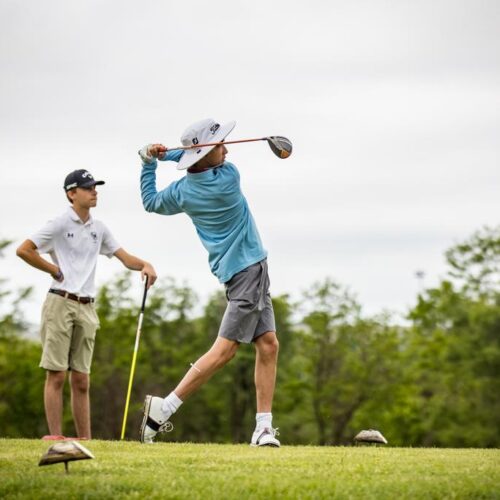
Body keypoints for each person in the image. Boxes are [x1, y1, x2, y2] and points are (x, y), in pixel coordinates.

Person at [138, 118, 280, 447]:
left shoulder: (182, 192)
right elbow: (195, 160)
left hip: (239, 273)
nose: (226, 149)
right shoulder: (229, 178)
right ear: (203, 154)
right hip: (249, 271)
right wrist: (167, 156)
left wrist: (150, 161)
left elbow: (150, 201)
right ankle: (164, 409)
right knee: (225, 350)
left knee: (268, 344)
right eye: (219, 146)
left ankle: (263, 427)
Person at [16, 169, 157, 440]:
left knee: (81, 379)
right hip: (60, 301)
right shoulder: (58, 223)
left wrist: (145, 264)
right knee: (56, 374)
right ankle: (56, 436)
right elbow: (24, 249)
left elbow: (125, 258)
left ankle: (85, 439)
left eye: (95, 186)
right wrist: (52, 269)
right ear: (72, 193)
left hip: (87, 306)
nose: (95, 191)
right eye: (88, 187)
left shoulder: (99, 228)